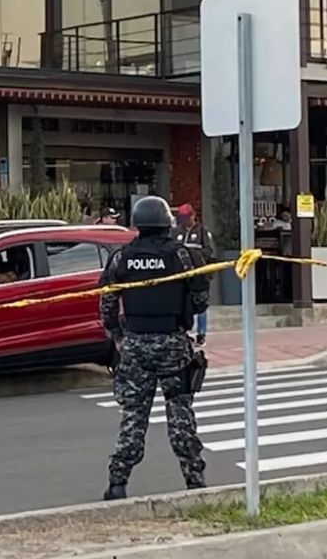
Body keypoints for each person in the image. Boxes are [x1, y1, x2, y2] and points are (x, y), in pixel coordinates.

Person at [99, 195, 210, 500]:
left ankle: (117, 483)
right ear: (166, 223)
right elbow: (201, 300)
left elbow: (107, 300)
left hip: (134, 345)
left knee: (133, 416)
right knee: (180, 415)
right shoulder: (184, 257)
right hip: (173, 343)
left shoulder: (122, 258)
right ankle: (195, 483)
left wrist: (117, 336)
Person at [172, 204, 214, 347]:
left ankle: (201, 334)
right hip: (181, 274)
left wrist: (193, 256)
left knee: (200, 303)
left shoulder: (202, 232)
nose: (184, 220)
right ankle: (183, 330)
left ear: (193, 215)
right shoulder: (176, 232)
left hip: (199, 274)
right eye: (182, 218)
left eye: (187, 217)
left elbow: (209, 251)